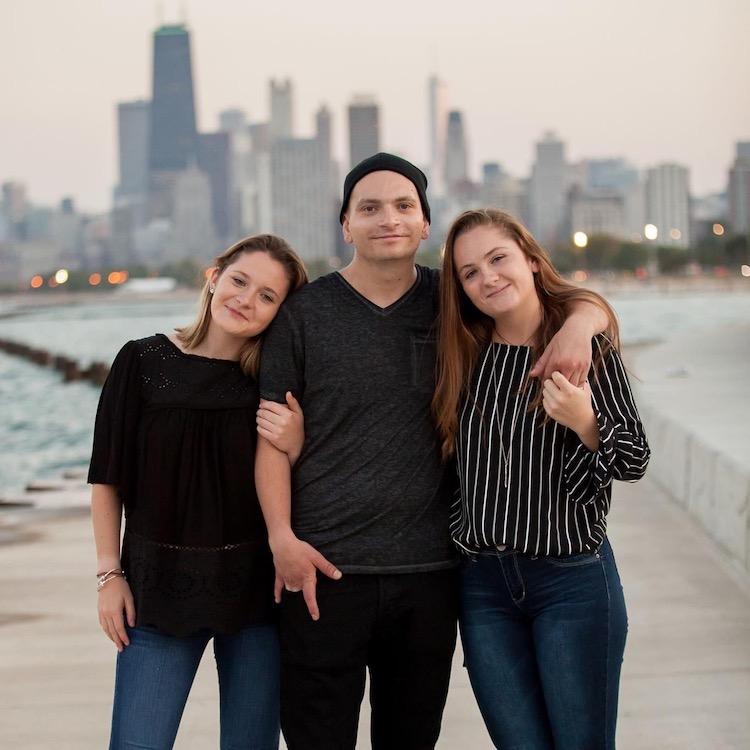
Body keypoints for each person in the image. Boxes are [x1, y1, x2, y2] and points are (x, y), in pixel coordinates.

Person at [254, 153, 609, 750]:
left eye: (403, 206)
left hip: (433, 576)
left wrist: (582, 323)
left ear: (424, 225)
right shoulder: (303, 315)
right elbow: (270, 440)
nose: (386, 219)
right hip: (323, 571)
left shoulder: (456, 303)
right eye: (368, 208)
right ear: (345, 225)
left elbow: (547, 297)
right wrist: (281, 540)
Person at [433, 208, 650, 749]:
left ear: (531, 261)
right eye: (470, 272)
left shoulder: (584, 350)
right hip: (484, 586)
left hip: (571, 580)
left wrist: (585, 422)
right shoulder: (464, 352)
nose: (488, 278)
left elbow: (634, 460)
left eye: (498, 259)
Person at [89, 234, 307, 750]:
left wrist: (296, 445)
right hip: (157, 592)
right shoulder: (142, 362)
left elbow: (298, 483)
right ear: (214, 278)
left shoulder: (276, 381)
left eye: (267, 296)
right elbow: (107, 478)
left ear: (279, 313)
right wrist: (108, 575)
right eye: (239, 281)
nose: (245, 300)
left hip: (257, 595)